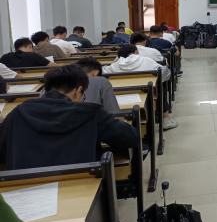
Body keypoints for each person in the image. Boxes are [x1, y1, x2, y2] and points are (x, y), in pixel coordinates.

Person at [0, 65, 139, 170]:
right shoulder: (90, 113)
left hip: (22, 190)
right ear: (78, 91)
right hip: (81, 189)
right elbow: (131, 138)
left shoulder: (18, 112)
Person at [103, 44, 176, 129]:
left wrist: (114, 62)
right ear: (136, 52)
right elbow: (164, 73)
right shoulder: (146, 60)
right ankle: (165, 118)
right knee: (159, 86)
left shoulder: (115, 66)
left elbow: (102, 72)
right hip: (146, 95)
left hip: (119, 98)